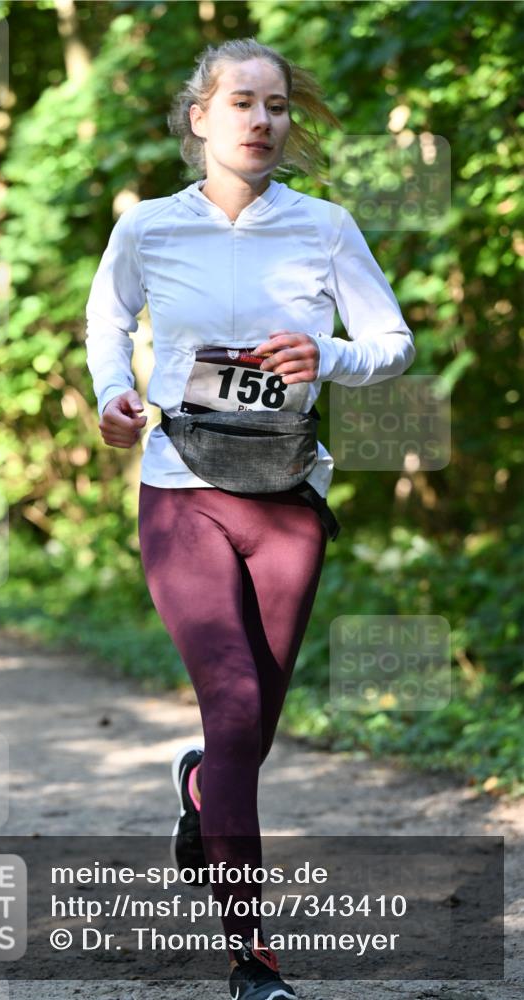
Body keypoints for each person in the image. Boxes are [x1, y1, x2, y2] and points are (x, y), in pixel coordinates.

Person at [85, 36, 415, 1000]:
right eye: (241, 102)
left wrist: (329, 355)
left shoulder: (324, 227)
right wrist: (112, 391)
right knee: (230, 707)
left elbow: (389, 341)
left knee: (249, 733)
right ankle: (252, 958)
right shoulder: (147, 229)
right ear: (200, 117)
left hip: (285, 497)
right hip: (181, 484)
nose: (263, 121)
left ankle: (199, 788)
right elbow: (109, 318)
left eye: (276, 105)